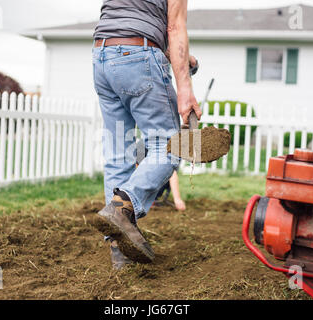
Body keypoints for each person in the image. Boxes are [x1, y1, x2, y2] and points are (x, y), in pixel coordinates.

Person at [90, 0, 201, 269]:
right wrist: (185, 88)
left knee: (119, 155)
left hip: (102, 58)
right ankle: (121, 206)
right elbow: (174, 27)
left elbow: (131, 19)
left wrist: (183, 58)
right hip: (138, 56)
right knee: (170, 147)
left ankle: (120, 251)